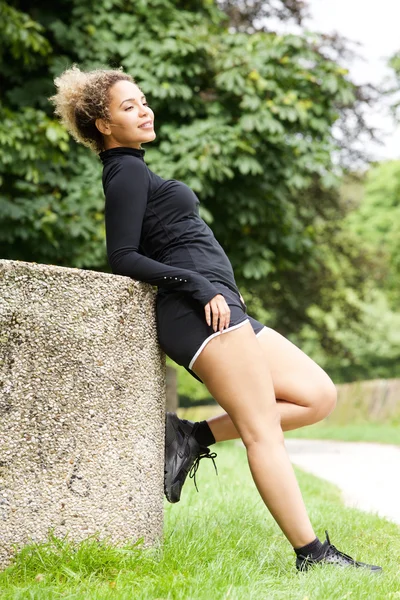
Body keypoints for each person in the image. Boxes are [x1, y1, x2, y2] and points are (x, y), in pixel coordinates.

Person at [49, 65, 382, 573]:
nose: (144, 110)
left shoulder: (136, 168)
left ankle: (191, 436)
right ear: (102, 124)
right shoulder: (126, 171)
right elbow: (123, 256)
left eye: (143, 100)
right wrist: (198, 284)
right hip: (198, 311)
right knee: (262, 431)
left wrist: (211, 287)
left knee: (317, 395)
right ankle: (313, 555)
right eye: (128, 106)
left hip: (220, 305)